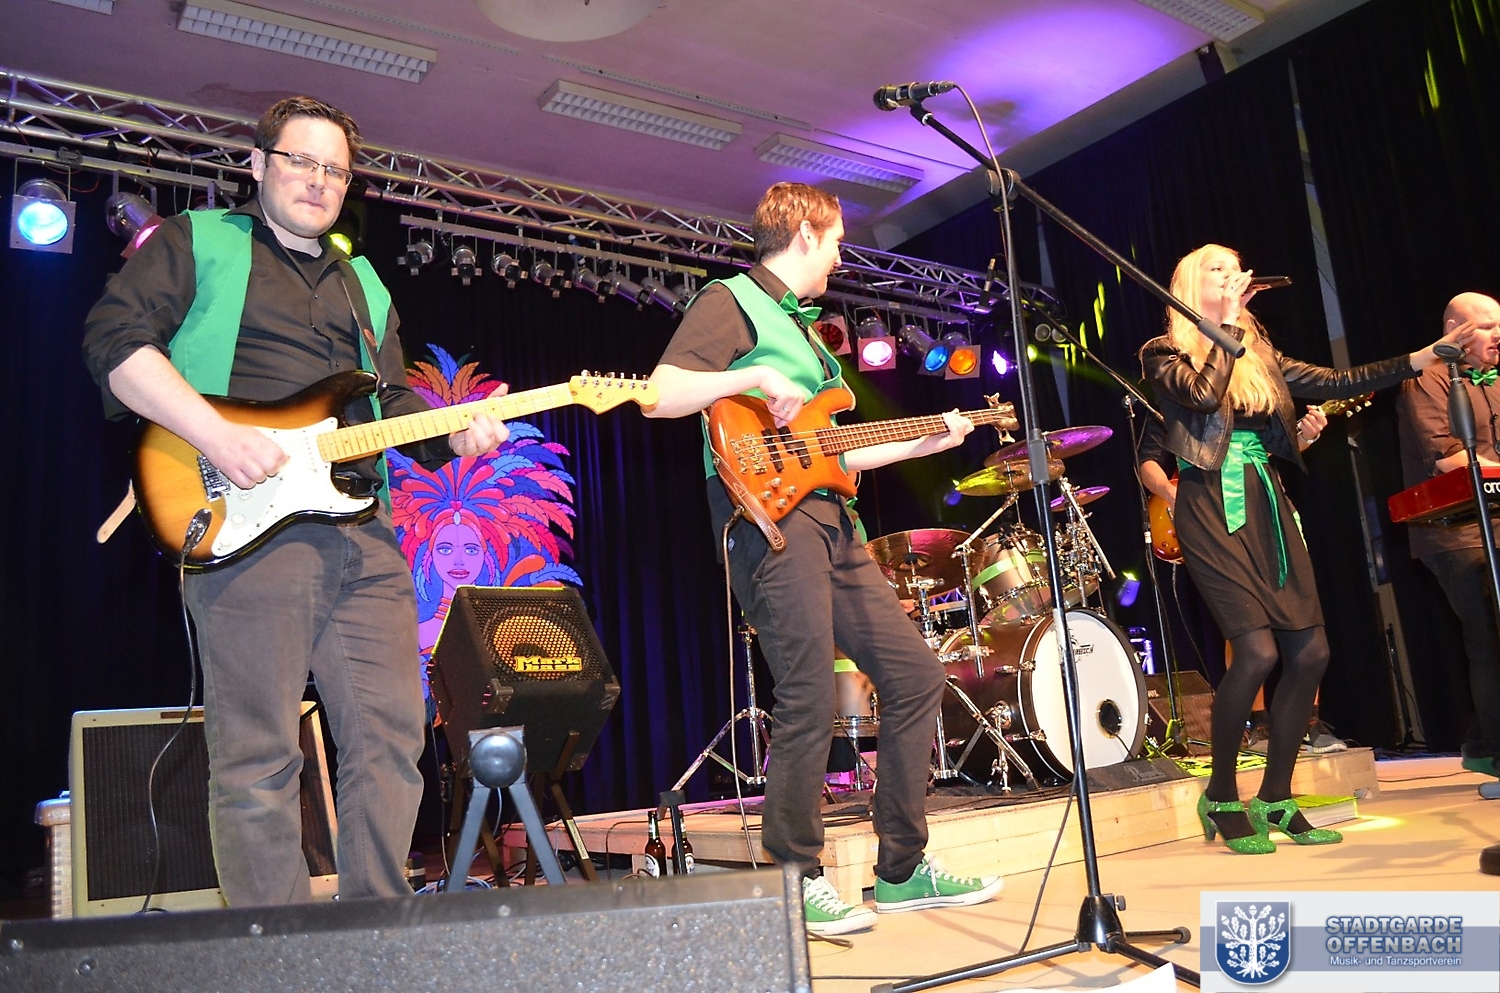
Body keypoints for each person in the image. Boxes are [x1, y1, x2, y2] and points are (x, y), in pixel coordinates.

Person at [82, 96, 508, 906]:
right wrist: (216, 434)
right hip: (245, 521)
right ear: (258, 163)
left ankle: (374, 928)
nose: (319, 180)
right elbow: (114, 344)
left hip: (362, 528)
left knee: (392, 736)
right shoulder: (197, 240)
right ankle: (275, 951)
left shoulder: (364, 283)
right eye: (301, 161)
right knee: (259, 754)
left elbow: (385, 405)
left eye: (336, 170)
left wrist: (452, 430)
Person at [645, 182, 1003, 935]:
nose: (840, 257)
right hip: (769, 523)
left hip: (836, 524)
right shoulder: (732, 299)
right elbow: (662, 393)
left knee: (915, 674)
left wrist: (929, 440)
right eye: (836, 240)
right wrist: (753, 375)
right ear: (805, 233)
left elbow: (840, 452)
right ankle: (792, 878)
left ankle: (901, 870)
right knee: (807, 690)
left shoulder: (810, 338)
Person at [1139, 243, 1467, 854]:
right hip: (1210, 505)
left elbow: (1336, 380)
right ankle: (1221, 794)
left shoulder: (1258, 352)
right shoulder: (1163, 353)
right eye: (1216, 268)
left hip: (1267, 500)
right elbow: (1204, 399)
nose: (1231, 275)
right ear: (1189, 284)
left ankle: (1275, 796)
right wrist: (1227, 325)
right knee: (1257, 652)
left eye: (1235, 266)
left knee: (1311, 652)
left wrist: (1421, 357)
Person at [1138, 402, 1348, 754]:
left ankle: (1310, 723)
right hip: (1213, 516)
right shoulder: (1175, 393)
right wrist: (1175, 495)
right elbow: (1148, 462)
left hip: (1268, 508)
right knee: (1244, 626)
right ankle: (1259, 724)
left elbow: (1279, 445)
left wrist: (1306, 436)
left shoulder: (1257, 390)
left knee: (1302, 616)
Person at [1395, 292, 1500, 780]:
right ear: (1455, 329)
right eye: (1487, 326)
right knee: (1487, 636)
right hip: (1455, 532)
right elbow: (1447, 458)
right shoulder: (1428, 380)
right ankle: (1494, 752)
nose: (1498, 334)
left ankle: (1479, 742)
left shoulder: (1495, 380)